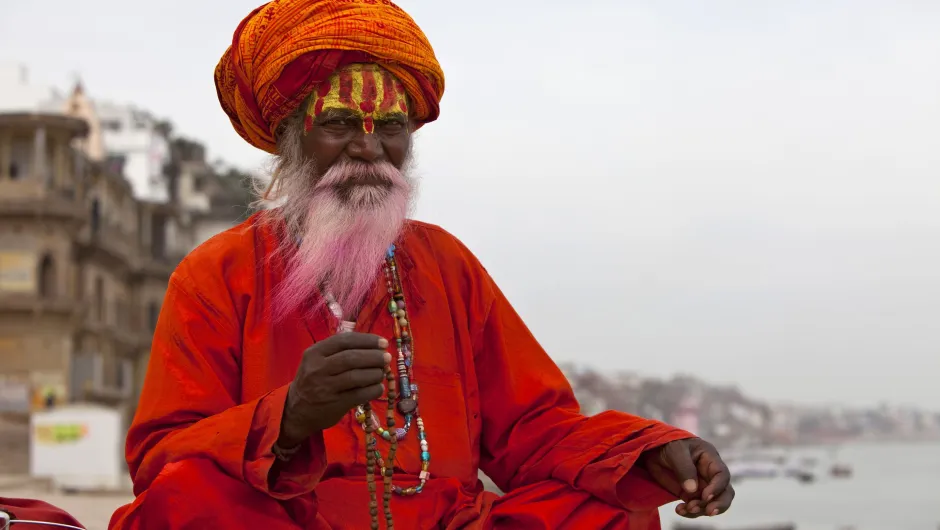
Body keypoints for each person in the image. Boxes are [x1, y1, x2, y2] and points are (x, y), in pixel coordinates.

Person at [109, 1, 734, 528]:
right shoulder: (217, 273)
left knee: (611, 509)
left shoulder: (446, 265)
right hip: (291, 521)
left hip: (444, 523)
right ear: (290, 136)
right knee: (185, 498)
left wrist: (650, 452)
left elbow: (536, 429)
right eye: (338, 124)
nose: (368, 147)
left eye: (391, 127)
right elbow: (162, 458)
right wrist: (289, 417)